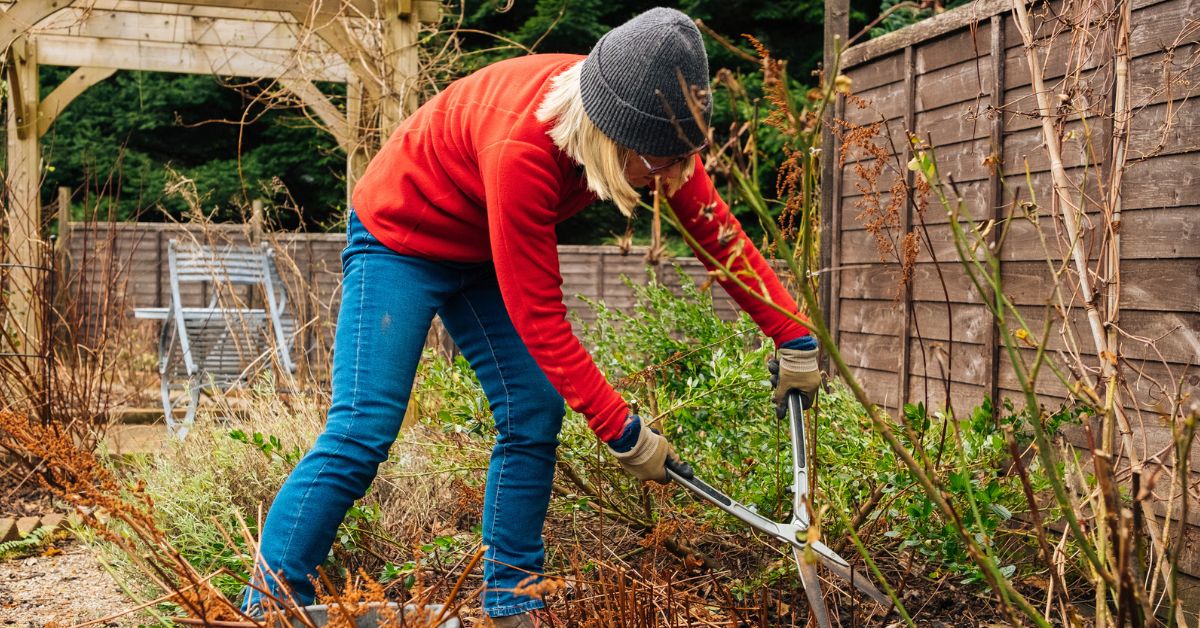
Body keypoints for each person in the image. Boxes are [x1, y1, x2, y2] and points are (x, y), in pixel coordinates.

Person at [242, 7, 821, 626]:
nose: (677, 176)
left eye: (686, 157)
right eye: (661, 164)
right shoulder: (522, 149)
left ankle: (512, 602)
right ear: (611, 137)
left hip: (481, 246)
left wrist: (793, 335)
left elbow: (718, 234)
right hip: (400, 239)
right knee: (364, 426)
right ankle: (269, 603)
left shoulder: (653, 128)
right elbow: (541, 320)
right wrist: (622, 431)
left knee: (534, 410)